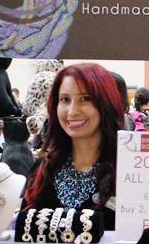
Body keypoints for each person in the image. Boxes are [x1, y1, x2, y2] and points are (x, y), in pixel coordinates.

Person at [23, 62, 124, 230]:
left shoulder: (128, 173)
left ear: (106, 103)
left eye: (85, 99)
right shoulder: (41, 171)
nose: (72, 111)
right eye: (65, 100)